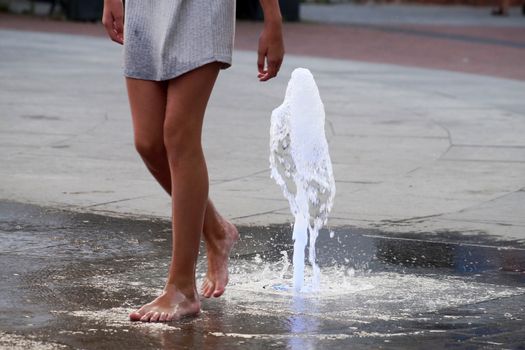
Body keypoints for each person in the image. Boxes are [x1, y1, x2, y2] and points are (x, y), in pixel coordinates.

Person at [101, 0, 284, 322]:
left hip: (201, 10)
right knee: (148, 143)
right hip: (145, 8)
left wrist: (273, 19)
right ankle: (216, 230)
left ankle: (182, 288)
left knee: (178, 137)